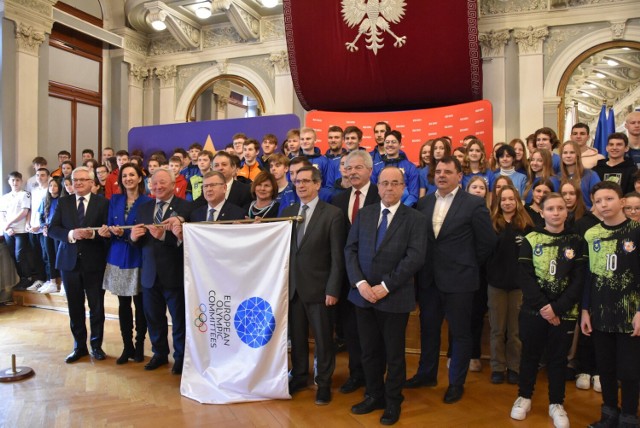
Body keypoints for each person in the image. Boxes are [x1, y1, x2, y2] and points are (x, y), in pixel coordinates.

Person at [409, 156, 497, 404]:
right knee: (429, 331)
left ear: (460, 176)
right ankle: (426, 374)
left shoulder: (473, 204)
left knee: (460, 334)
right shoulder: (424, 203)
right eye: (438, 171)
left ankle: (456, 383)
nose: (442, 175)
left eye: (448, 171)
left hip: (460, 281)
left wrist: (466, 263)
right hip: (428, 281)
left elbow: (487, 242)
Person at [345, 166, 427, 425]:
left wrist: (386, 286)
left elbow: (415, 257)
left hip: (394, 297)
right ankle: (374, 395)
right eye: (384, 183)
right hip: (363, 296)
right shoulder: (365, 214)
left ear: (404, 187)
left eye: (395, 183)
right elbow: (351, 250)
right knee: (368, 352)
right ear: (377, 186)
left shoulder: (415, 219)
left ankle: (393, 401)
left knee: (394, 354)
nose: (389, 188)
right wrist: (360, 283)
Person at [510, 193, 586, 428]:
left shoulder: (577, 241)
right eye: (550, 208)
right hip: (534, 310)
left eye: (560, 208)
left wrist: (556, 308)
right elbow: (525, 277)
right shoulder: (531, 239)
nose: (555, 212)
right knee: (530, 355)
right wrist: (544, 308)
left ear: (567, 212)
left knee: (558, 358)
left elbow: (578, 280)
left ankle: (556, 403)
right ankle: (524, 396)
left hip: (564, 312)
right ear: (541, 213)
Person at [282, 166, 346, 406]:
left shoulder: (332, 214)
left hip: (321, 290)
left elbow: (337, 257)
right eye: (297, 181)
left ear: (318, 184)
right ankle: (298, 376)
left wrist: (333, 289)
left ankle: (324, 383)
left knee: (323, 340)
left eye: (306, 181)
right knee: (297, 338)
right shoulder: (288, 211)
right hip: (294, 288)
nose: (301, 185)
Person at [581, 181, 640, 428]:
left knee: (629, 369)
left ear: (622, 202)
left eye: (609, 199)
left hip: (630, 312)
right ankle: (608, 413)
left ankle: (628, 416)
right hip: (601, 310)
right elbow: (589, 275)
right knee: (605, 367)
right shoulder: (591, 234)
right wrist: (585, 309)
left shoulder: (636, 231)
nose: (604, 205)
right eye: (598, 201)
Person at [130, 169, 192, 374]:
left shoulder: (186, 208)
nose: (157, 187)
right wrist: (133, 237)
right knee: (154, 318)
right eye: (154, 184)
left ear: (174, 184)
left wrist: (163, 237)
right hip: (149, 274)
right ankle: (159, 353)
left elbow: (189, 242)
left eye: (162, 183)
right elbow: (138, 241)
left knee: (179, 320)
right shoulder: (143, 207)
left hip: (174, 273)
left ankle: (181, 357)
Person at [331, 150, 381, 395]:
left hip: (373, 278)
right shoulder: (338, 200)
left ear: (370, 170)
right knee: (350, 330)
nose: (352, 172)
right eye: (348, 168)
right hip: (346, 279)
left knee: (372, 334)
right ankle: (356, 374)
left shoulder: (380, 196)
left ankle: (375, 379)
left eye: (357, 168)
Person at [48, 167, 110, 363]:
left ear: (92, 183)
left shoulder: (103, 203)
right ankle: (79, 347)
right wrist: (71, 235)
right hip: (69, 263)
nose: (79, 183)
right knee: (75, 308)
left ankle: (96, 346)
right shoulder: (63, 202)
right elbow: (52, 229)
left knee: (96, 307)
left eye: (83, 180)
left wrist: (93, 234)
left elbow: (109, 231)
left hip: (94, 262)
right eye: (75, 180)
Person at [98, 163, 151, 365]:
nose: (128, 178)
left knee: (139, 305)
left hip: (138, 256)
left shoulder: (148, 201)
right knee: (123, 304)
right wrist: (111, 231)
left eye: (132, 175)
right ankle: (126, 346)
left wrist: (125, 233)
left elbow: (144, 230)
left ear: (139, 178)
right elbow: (111, 223)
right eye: (125, 175)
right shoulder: (115, 199)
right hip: (118, 256)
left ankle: (139, 346)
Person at [486, 185, 534, 385]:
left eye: (511, 199)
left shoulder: (526, 225)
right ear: (498, 202)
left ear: (517, 202)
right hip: (496, 284)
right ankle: (498, 367)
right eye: (503, 199)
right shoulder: (492, 223)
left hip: (518, 286)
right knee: (497, 329)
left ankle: (514, 367)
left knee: (515, 331)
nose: (507, 202)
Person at [464, 175, 491, 372]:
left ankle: (475, 354)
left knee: (477, 315)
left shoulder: (492, 212)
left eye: (482, 187)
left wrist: (476, 262)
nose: (478, 190)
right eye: (474, 186)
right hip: (463, 270)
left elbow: (488, 244)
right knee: (464, 314)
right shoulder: (462, 211)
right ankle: (461, 354)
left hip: (483, 271)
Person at [0, 171, 35, 289]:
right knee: (13, 256)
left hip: (21, 230)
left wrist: (9, 223)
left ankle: (28, 277)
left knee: (20, 255)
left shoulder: (25, 194)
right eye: (13, 180)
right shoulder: (5, 197)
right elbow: (2, 214)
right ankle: (22, 278)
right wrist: (7, 227)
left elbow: (24, 212)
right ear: (9, 182)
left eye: (17, 180)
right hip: (8, 231)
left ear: (21, 181)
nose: (15, 183)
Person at [372, 130, 419, 207]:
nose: (390, 145)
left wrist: (401, 210)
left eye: (393, 142)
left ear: (400, 144)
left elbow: (413, 195)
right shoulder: (376, 167)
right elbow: (373, 193)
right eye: (387, 142)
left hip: (404, 212)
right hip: (382, 211)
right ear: (384, 144)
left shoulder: (410, 167)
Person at [25, 167, 50, 291]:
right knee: (36, 255)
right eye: (38, 175)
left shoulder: (49, 191)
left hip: (43, 228)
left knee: (46, 255)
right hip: (32, 228)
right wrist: (28, 223)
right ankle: (39, 279)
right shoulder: (33, 190)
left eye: (42, 175)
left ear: (47, 177)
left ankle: (49, 280)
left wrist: (40, 226)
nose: (40, 177)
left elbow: (48, 211)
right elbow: (30, 208)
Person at [36, 178, 62, 294]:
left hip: (58, 232)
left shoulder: (62, 201)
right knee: (49, 256)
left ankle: (63, 282)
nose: (52, 188)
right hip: (47, 232)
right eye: (50, 186)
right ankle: (52, 282)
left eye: (55, 186)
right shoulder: (45, 200)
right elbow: (41, 217)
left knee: (59, 256)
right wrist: (43, 226)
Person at [558, 140, 600, 209]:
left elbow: (599, 198)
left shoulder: (591, 175)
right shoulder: (557, 177)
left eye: (572, 152)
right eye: (565, 153)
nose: (568, 156)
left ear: (578, 155)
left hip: (586, 215)